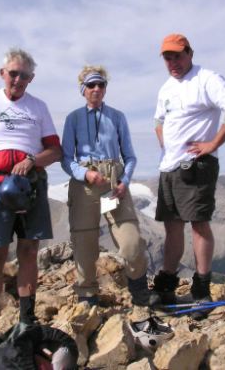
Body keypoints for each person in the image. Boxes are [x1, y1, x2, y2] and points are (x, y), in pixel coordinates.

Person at [0, 48, 62, 348]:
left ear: (31, 79)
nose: (17, 79)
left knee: (30, 250)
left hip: (30, 185)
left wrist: (32, 159)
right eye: (12, 73)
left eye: (24, 75)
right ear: (2, 73)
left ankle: (26, 321)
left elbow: (55, 151)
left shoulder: (39, 108)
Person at [151, 34, 225, 315]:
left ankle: (202, 290)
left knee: (198, 225)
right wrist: (166, 144)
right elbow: (159, 119)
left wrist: (213, 144)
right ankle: (167, 285)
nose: (173, 62)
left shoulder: (206, 79)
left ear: (189, 53)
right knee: (172, 226)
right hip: (169, 166)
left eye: (177, 56)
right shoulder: (166, 88)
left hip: (195, 167)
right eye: (167, 57)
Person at [61, 65, 160, 307]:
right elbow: (65, 158)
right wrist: (85, 174)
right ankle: (88, 296)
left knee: (131, 239)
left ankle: (139, 292)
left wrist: (124, 182)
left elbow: (130, 156)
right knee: (84, 241)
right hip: (85, 185)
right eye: (91, 85)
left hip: (113, 184)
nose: (97, 89)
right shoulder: (72, 119)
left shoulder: (117, 117)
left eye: (101, 84)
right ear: (82, 90)